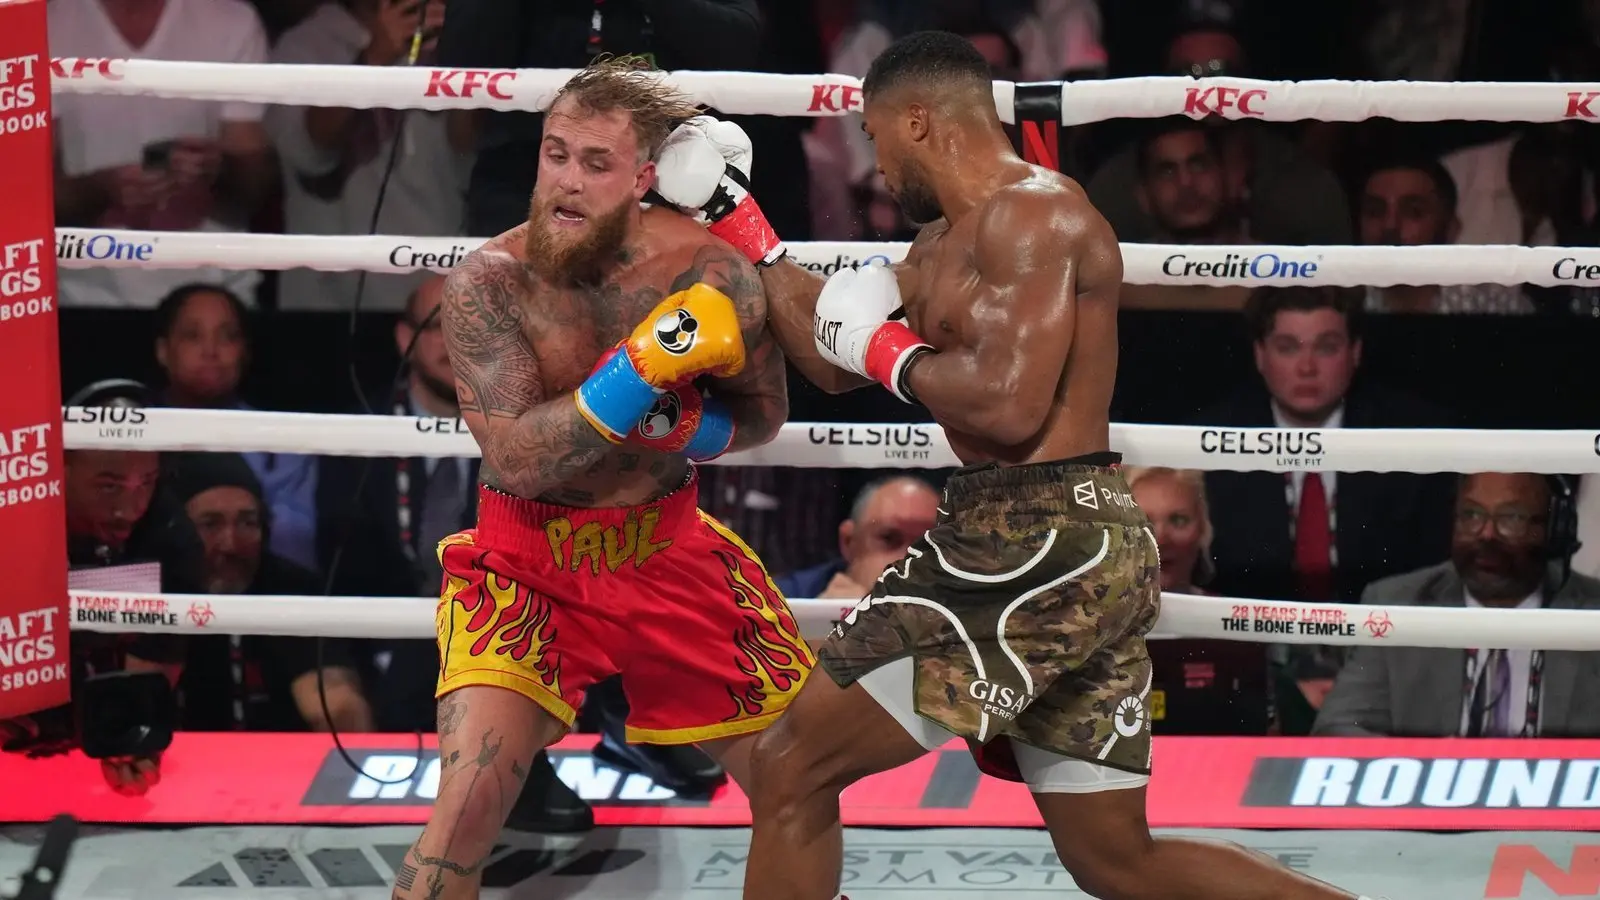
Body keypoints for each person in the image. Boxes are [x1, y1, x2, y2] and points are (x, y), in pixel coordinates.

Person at [654, 31, 1373, 900]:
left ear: (918, 120)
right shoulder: (936, 247)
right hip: (1052, 545)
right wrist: (738, 218)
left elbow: (1006, 404)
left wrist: (884, 350)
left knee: (790, 769)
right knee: (1117, 861)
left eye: (876, 138)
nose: (876, 167)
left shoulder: (1038, 215)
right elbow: (833, 362)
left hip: (1033, 541)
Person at [391, 59, 806, 900]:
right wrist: (638, 373)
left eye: (596, 162)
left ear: (645, 178)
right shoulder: (488, 283)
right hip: (527, 564)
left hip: (667, 550)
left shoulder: (709, 271)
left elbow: (765, 416)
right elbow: (514, 457)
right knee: (462, 817)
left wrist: (683, 426)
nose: (568, 181)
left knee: (799, 783)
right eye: (556, 154)